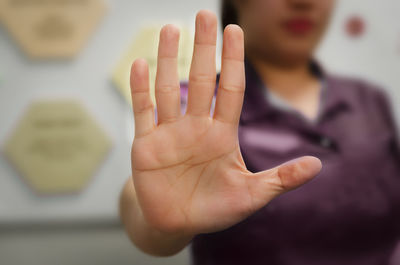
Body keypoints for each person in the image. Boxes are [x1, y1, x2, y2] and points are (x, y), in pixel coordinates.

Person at [119, 0, 400, 264]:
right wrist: (157, 223)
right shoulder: (192, 105)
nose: (304, 2)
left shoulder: (369, 99)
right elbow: (141, 199)